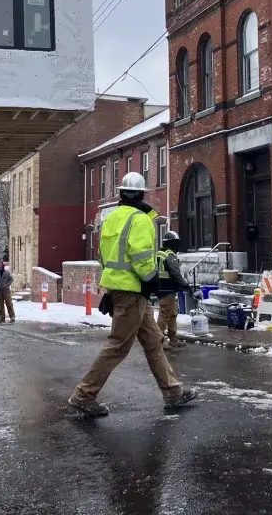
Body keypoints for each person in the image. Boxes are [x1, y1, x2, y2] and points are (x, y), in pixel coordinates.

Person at [69, 172, 197, 417]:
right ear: (141, 193)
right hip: (133, 292)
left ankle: (173, 392)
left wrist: (110, 289)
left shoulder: (112, 219)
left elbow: (104, 258)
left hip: (122, 290)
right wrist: (152, 282)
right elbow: (141, 258)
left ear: (121, 193)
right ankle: (84, 395)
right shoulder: (140, 219)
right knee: (117, 346)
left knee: (154, 341)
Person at [155, 231, 194, 350]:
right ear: (172, 243)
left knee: (172, 314)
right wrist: (186, 285)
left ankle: (173, 339)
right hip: (167, 289)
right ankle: (159, 341)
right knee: (165, 315)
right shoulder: (169, 255)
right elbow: (175, 273)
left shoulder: (159, 253)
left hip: (160, 287)